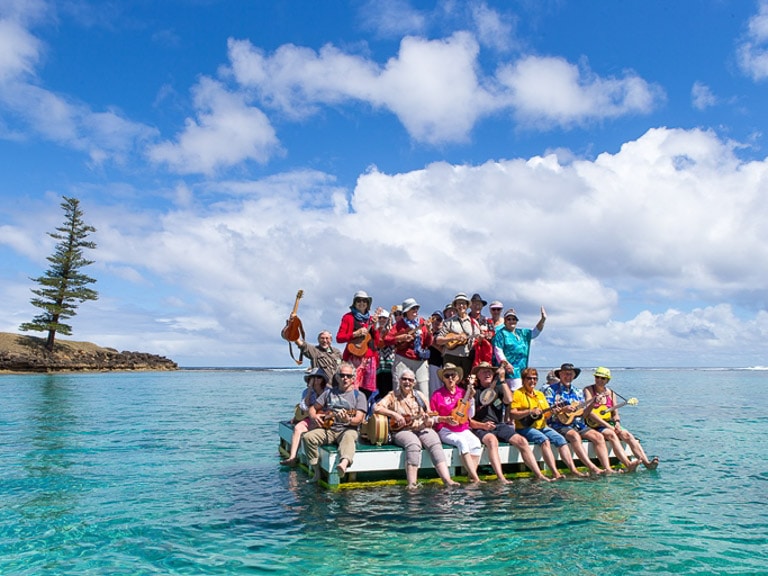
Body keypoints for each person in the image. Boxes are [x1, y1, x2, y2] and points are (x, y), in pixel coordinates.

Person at [374, 369, 459, 488]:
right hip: (401, 430)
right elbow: (377, 408)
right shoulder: (392, 395)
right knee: (413, 444)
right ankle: (412, 483)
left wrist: (432, 419)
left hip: (420, 427)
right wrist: (394, 415)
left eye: (410, 380)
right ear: (399, 381)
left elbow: (430, 418)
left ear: (414, 382)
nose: (407, 382)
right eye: (404, 379)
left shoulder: (420, 396)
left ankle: (447, 479)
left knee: (434, 441)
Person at [469, 362, 551, 483]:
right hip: (480, 427)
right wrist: (483, 426)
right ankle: (501, 477)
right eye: (483, 371)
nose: (487, 374)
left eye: (489, 372)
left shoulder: (499, 389)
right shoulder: (474, 392)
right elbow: (468, 420)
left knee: (522, 441)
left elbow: (509, 399)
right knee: (492, 441)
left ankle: (538, 474)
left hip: (499, 425)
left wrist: (502, 380)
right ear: (478, 375)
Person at [508, 367, 587, 479]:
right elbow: (513, 414)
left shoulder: (539, 394)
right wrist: (529, 411)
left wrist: (554, 411)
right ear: (523, 380)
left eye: (535, 379)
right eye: (529, 378)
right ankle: (555, 473)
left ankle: (573, 469)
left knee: (561, 440)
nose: (532, 381)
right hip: (525, 427)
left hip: (542, 425)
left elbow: (546, 414)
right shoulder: (518, 394)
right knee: (545, 440)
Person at [302, 362, 368, 482]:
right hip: (329, 429)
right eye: (342, 375)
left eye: (348, 376)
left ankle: (343, 464)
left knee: (349, 437)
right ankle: (316, 472)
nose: (345, 378)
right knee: (308, 437)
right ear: (337, 377)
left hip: (348, 429)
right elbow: (313, 408)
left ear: (353, 378)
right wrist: (314, 416)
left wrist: (348, 420)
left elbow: (358, 419)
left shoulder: (359, 396)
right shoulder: (329, 393)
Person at [543, 363, 614, 475]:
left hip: (577, 424)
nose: (568, 377)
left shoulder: (578, 392)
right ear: (560, 375)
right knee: (575, 436)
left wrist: (592, 403)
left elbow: (584, 414)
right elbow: (547, 410)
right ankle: (593, 468)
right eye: (566, 374)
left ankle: (607, 468)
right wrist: (563, 410)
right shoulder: (550, 390)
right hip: (559, 424)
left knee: (598, 437)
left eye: (571, 374)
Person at [583, 367, 658, 470]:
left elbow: (615, 413)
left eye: (603, 378)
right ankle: (628, 464)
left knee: (628, 435)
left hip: (609, 423)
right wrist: (608, 426)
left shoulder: (611, 393)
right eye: (597, 377)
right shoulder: (589, 390)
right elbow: (589, 412)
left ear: (607, 380)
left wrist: (617, 423)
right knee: (611, 435)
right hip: (595, 424)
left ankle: (647, 463)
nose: (599, 380)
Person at [430, 363, 483, 483]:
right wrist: (445, 419)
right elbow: (432, 417)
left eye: (453, 375)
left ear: (458, 378)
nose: (450, 378)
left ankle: (470, 477)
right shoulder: (437, 395)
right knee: (462, 443)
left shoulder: (464, 392)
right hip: (445, 429)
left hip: (462, 428)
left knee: (475, 443)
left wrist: (471, 399)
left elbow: (470, 415)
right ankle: (476, 478)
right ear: (443, 379)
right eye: (447, 376)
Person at [336, 290, 382, 399]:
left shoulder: (371, 319)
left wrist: (375, 327)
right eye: (359, 301)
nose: (362, 303)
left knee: (368, 389)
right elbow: (339, 338)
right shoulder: (348, 317)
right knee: (352, 386)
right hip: (354, 357)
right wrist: (354, 334)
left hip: (369, 358)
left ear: (368, 303)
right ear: (354, 303)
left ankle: (363, 410)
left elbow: (376, 342)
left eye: (364, 301)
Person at [280, 367, 330, 467]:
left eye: (318, 377)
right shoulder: (306, 391)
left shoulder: (328, 391)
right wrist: (310, 390)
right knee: (298, 428)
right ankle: (292, 457)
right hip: (311, 418)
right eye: (313, 378)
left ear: (323, 379)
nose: (316, 380)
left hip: (325, 419)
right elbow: (304, 407)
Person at [384, 298, 434, 397]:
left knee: (423, 390)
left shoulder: (422, 322)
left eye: (416, 308)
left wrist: (429, 331)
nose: (415, 310)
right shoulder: (399, 325)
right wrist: (400, 338)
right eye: (413, 308)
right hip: (403, 359)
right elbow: (386, 340)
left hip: (420, 360)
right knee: (399, 388)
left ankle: (424, 411)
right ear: (406, 311)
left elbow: (428, 343)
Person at [493, 307, 547, 390]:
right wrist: (506, 364)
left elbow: (535, 332)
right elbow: (498, 350)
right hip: (510, 370)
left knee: (522, 391)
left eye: (514, 319)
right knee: (515, 392)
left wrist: (543, 319)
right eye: (509, 319)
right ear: (505, 321)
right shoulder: (501, 334)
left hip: (522, 370)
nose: (511, 321)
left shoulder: (522, 333)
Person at [436, 293, 481, 381]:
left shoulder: (474, 322)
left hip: (466, 357)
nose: (461, 306)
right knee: (450, 382)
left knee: (465, 383)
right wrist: (454, 338)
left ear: (467, 306)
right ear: (455, 306)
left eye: (463, 303)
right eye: (459, 303)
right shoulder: (448, 322)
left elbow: (477, 339)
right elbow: (438, 340)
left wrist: (481, 338)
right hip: (451, 357)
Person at [376, 308, 395, 396]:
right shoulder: (376, 331)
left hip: (390, 364)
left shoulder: (393, 331)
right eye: (380, 318)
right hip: (379, 365)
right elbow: (379, 344)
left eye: (384, 318)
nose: (382, 320)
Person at [426, 310, 445, 396]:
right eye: (434, 319)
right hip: (426, 364)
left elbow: (443, 351)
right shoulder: (427, 332)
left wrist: (431, 340)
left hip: (437, 365)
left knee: (436, 391)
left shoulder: (443, 334)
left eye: (439, 319)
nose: (436, 321)